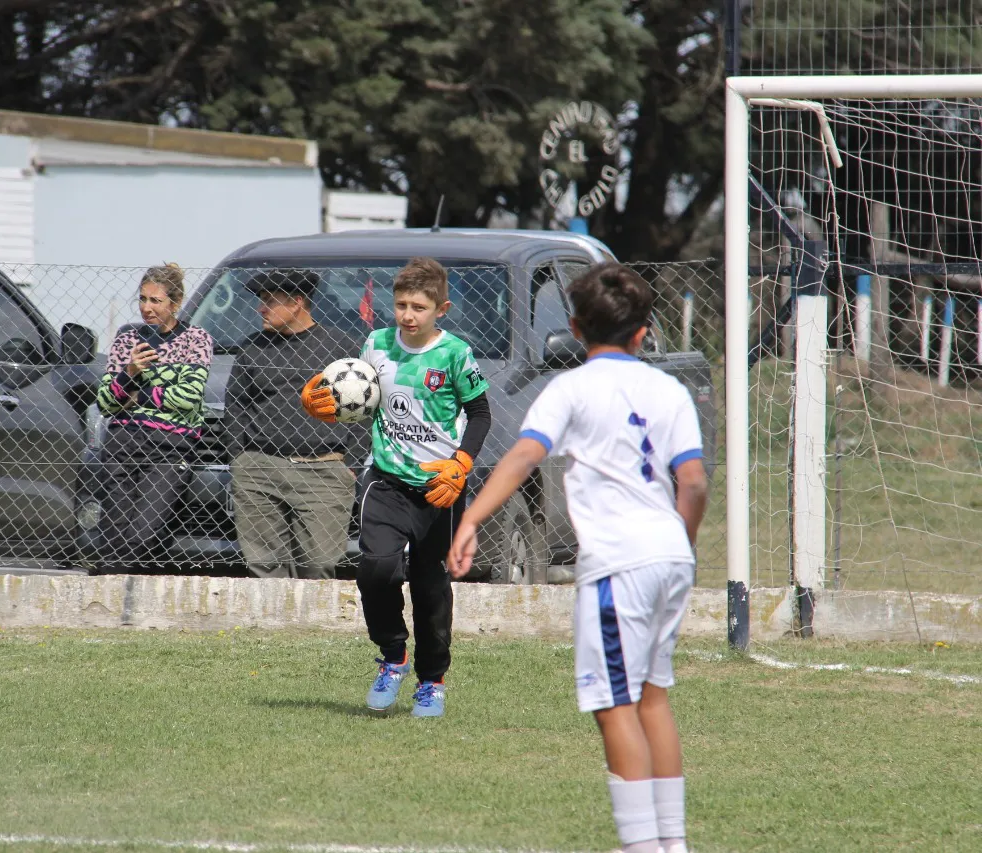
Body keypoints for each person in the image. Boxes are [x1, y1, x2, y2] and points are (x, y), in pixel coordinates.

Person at [447, 263, 708, 853]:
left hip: (618, 562)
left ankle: (643, 847)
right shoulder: (669, 390)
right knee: (652, 696)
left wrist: (470, 518)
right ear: (645, 334)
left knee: (613, 704)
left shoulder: (569, 388)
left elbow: (520, 458)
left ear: (572, 327)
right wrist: (680, 546)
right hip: (669, 554)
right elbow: (692, 483)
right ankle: (673, 841)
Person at [303, 257, 491, 718]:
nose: (408, 315)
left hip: (439, 489)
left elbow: (482, 415)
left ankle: (432, 681)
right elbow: (361, 397)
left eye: (419, 307)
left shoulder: (455, 354)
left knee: (430, 590)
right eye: (401, 305)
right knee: (376, 570)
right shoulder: (377, 343)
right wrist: (327, 404)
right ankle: (392, 657)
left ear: (441, 309)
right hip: (385, 481)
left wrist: (461, 464)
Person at [224, 269, 367, 579]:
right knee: (265, 567)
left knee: (318, 565)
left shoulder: (341, 349)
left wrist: (350, 462)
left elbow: (366, 410)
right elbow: (235, 406)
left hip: (324, 470)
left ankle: (314, 626)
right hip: (260, 469)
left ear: (297, 303)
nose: (260, 309)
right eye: (260, 301)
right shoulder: (251, 349)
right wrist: (240, 457)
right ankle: (270, 626)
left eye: (268, 301)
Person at [92, 263, 214, 573]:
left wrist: (137, 396)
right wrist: (131, 372)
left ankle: (120, 584)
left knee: (144, 533)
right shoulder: (126, 338)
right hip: (122, 442)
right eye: (143, 299)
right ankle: (112, 592)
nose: (147, 308)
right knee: (113, 533)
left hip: (169, 446)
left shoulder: (195, 340)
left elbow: (188, 399)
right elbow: (106, 402)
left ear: (176, 303)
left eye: (155, 301)